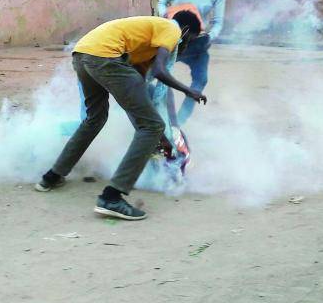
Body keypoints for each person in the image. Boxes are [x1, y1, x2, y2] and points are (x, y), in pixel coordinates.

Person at [36, 13, 208, 221]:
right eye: (189, 41)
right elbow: (161, 72)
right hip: (104, 55)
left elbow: (136, 96)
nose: (185, 47)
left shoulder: (143, 49)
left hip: (83, 54)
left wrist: (155, 135)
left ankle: (51, 177)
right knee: (153, 126)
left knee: (94, 120)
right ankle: (112, 197)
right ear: (186, 31)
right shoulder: (172, 29)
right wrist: (189, 91)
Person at [157, 0, 226, 124]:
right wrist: (166, 14)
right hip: (174, 38)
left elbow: (218, 22)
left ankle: (180, 121)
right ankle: (161, 117)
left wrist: (211, 37)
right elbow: (162, 2)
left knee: (201, 80)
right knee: (161, 75)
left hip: (197, 42)